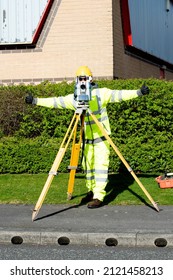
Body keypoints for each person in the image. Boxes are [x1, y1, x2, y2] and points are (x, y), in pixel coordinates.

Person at [25, 66, 149, 208]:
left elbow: (119, 95)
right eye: (80, 79)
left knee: (100, 167)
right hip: (86, 140)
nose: (83, 81)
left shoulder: (101, 94)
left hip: (102, 138)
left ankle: (99, 196)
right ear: (77, 80)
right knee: (88, 167)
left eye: (85, 78)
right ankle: (91, 191)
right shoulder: (75, 99)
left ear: (90, 79)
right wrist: (35, 101)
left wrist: (139, 92)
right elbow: (56, 102)